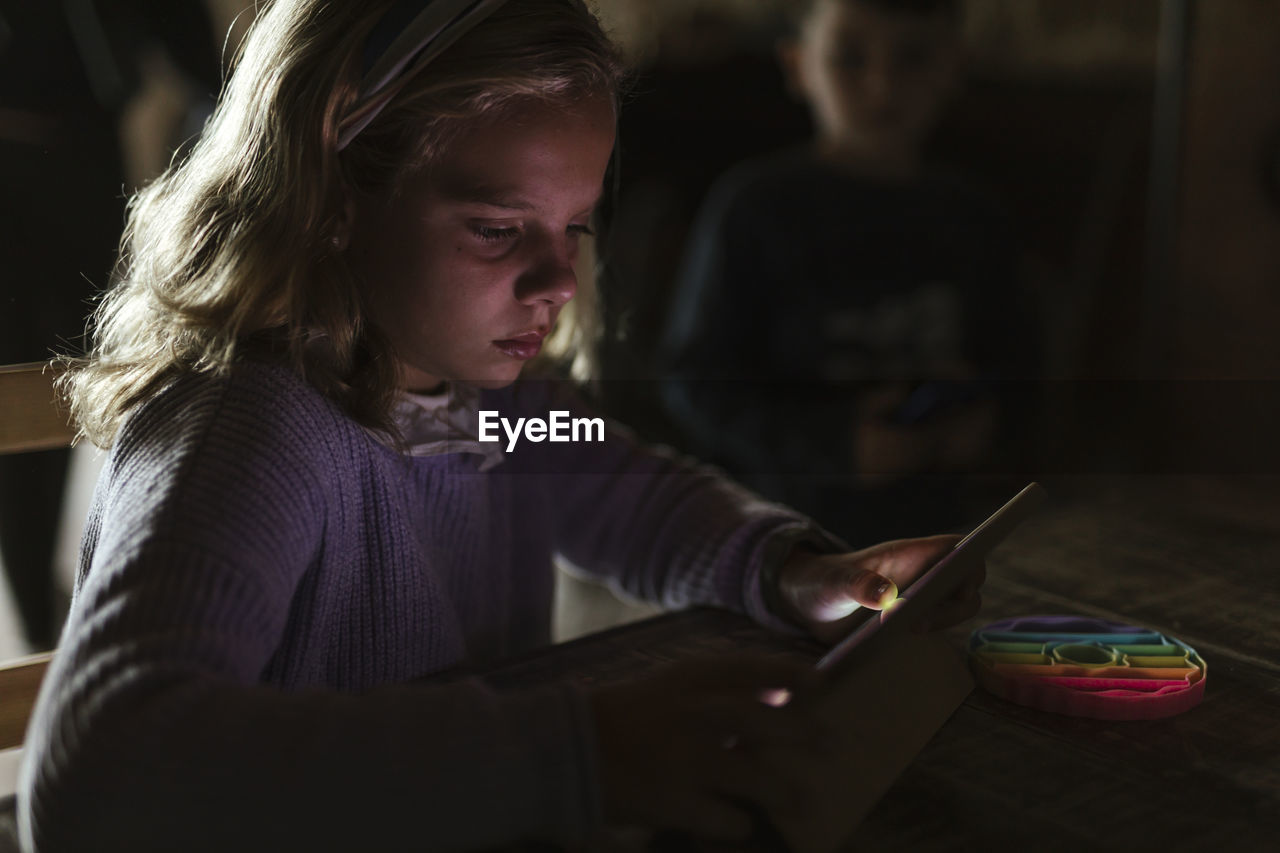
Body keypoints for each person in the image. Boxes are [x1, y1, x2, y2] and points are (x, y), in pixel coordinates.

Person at [18, 2, 983, 851]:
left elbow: (630, 497)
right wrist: (576, 751)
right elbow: (101, 775)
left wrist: (795, 573)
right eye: (495, 228)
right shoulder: (253, 436)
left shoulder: (501, 416)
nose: (559, 283)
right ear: (333, 189)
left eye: (574, 228)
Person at [660, 0, 1040, 546]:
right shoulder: (756, 208)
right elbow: (692, 382)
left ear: (952, 68)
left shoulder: (976, 217)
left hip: (943, 532)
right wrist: (835, 445)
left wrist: (983, 422)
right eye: (849, 58)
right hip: (784, 534)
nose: (882, 86)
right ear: (798, 67)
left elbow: (1018, 363)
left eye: (913, 58)